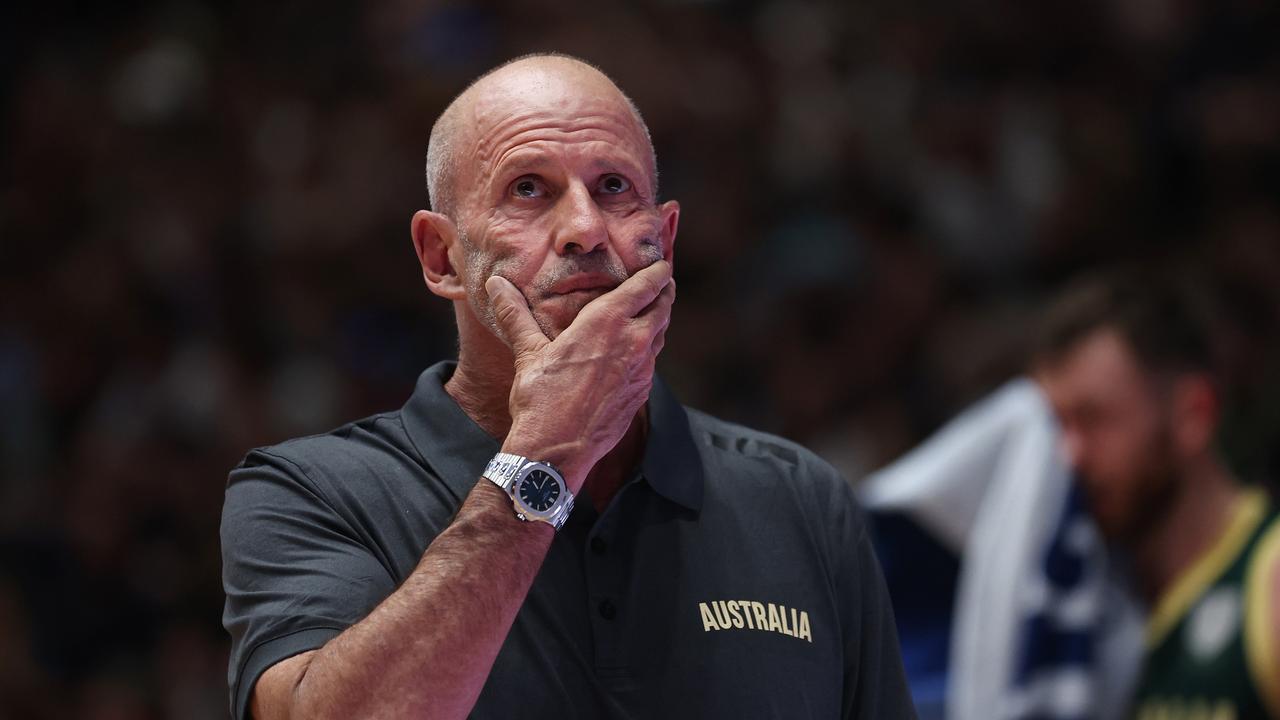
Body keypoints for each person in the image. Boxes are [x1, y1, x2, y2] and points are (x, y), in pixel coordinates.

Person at [220, 53, 916, 720]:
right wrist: (546, 454)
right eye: (529, 189)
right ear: (442, 257)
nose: (585, 228)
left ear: (665, 239)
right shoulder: (308, 493)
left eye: (614, 188)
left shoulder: (800, 499)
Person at [1032, 270, 1280, 719]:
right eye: (1056, 426)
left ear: (1193, 414)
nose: (1069, 454)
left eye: (1094, 419)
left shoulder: (1270, 580)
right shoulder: (1069, 601)